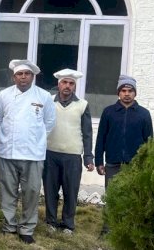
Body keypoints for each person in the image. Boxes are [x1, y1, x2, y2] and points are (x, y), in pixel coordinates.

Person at [0, 59, 56, 245]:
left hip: (33, 153)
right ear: (14, 77)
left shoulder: (44, 96)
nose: (23, 77)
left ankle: (27, 228)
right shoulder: (3, 95)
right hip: (8, 151)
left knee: (32, 191)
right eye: (19, 74)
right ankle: (9, 226)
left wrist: (34, 138)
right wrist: (10, 136)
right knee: (7, 191)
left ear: (33, 76)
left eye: (27, 74)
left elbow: (49, 123)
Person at [94, 74, 153, 235]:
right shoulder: (109, 112)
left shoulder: (143, 114)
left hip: (134, 165)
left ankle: (128, 231)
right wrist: (99, 160)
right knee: (112, 197)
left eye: (130, 91)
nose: (127, 94)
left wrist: (147, 163)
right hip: (113, 163)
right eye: (123, 90)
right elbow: (101, 138)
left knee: (132, 198)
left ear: (135, 93)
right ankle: (107, 231)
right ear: (118, 93)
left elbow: (149, 141)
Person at [43, 68, 94, 235]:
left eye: (71, 83)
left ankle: (68, 224)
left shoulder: (82, 105)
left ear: (74, 87)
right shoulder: (48, 101)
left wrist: (88, 157)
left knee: (70, 191)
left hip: (72, 156)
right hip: (50, 153)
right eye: (64, 82)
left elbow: (87, 133)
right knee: (50, 190)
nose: (67, 86)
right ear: (58, 84)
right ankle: (50, 221)